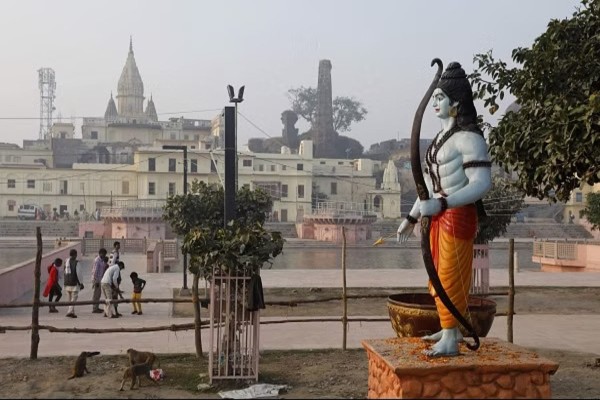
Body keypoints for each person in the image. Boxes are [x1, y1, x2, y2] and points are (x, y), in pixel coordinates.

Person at [397, 61, 492, 357]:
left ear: (455, 104)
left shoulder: (470, 139)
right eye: (433, 98)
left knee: (451, 275)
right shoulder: (437, 142)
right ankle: (447, 327)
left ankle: (452, 335)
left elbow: (481, 183)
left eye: (440, 98)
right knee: (436, 276)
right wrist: (412, 216)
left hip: (457, 215)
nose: (435, 103)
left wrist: (442, 204)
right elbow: (428, 184)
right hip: (436, 216)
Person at [63, 249, 84, 318]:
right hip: (74, 283)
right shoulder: (76, 263)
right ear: (75, 255)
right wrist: (81, 283)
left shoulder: (66, 261)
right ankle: (69, 311)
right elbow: (79, 274)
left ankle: (72, 312)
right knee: (74, 297)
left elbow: (64, 271)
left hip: (67, 282)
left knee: (70, 299)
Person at [91, 248, 108, 314]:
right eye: (104, 254)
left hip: (100, 279)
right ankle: (95, 308)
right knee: (96, 294)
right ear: (101, 253)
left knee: (98, 294)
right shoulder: (97, 261)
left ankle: (96, 307)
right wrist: (96, 281)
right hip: (97, 280)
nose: (104, 255)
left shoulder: (101, 260)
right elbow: (95, 272)